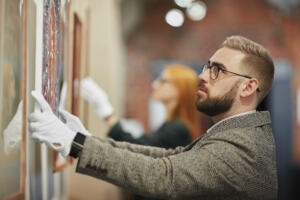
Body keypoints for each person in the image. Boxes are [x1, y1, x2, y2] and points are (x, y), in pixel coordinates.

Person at [29, 35, 278, 200]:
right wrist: (83, 140)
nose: (202, 76)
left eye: (217, 70)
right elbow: (164, 156)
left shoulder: (244, 149)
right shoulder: (235, 134)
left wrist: (76, 143)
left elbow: (163, 175)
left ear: (247, 87)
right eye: (207, 66)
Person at [80, 65, 201, 150]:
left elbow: (138, 148)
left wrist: (107, 113)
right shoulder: (173, 125)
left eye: (163, 81)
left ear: (180, 90)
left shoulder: (178, 129)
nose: (154, 84)